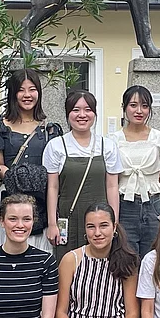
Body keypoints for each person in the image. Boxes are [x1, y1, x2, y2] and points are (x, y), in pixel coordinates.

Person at [0, 69, 63, 253]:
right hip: (10, 194)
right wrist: (18, 178)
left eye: (32, 89)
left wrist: (36, 180)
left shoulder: (49, 129)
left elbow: (55, 167)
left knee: (39, 250)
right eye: (21, 90)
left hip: (41, 198)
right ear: (13, 93)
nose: (27, 95)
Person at [43, 91, 123, 258]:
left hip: (99, 220)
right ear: (67, 114)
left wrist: (114, 222)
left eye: (88, 109)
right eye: (75, 110)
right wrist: (52, 223)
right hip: (69, 218)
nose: (82, 115)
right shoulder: (56, 146)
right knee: (67, 267)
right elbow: (52, 187)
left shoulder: (107, 146)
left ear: (94, 113)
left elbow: (112, 186)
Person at [110, 85, 160, 258]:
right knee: (126, 257)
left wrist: (154, 190)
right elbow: (111, 179)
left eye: (144, 106)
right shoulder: (113, 140)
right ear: (124, 107)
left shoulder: (159, 137)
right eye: (133, 105)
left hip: (152, 205)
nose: (139, 111)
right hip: (124, 205)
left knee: (154, 257)